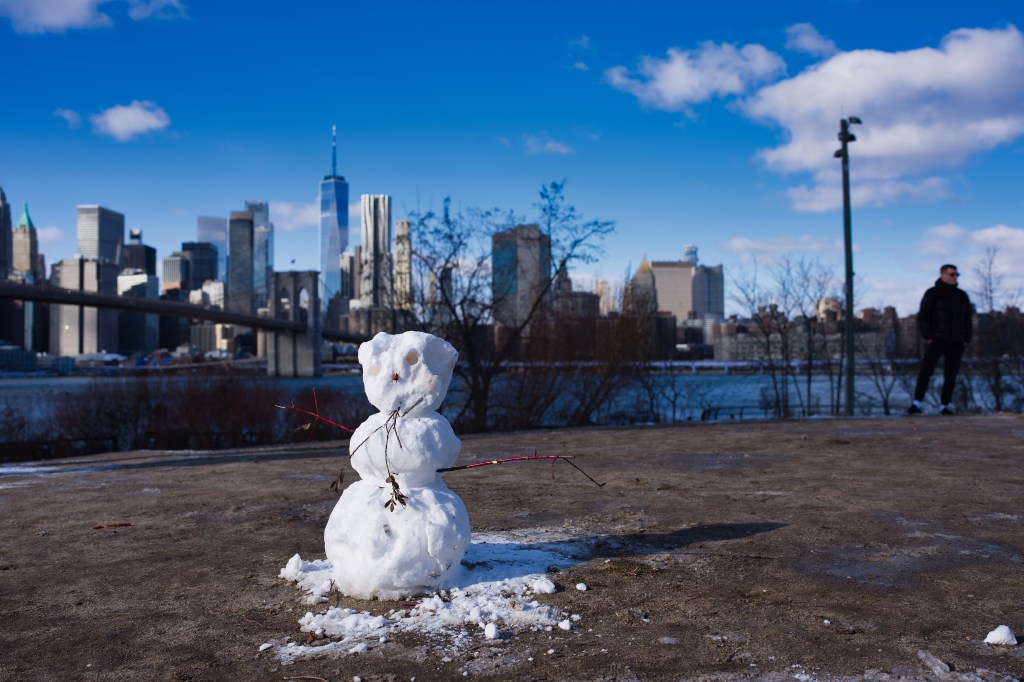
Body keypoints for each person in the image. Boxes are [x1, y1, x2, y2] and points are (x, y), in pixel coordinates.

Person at [906, 264, 973, 415]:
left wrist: (967, 338)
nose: (955, 277)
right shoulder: (932, 293)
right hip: (937, 339)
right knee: (926, 371)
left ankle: (944, 405)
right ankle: (917, 403)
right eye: (952, 274)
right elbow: (923, 316)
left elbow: (968, 318)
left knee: (951, 375)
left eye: (956, 274)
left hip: (956, 341)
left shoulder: (962, 296)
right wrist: (928, 336)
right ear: (942, 275)